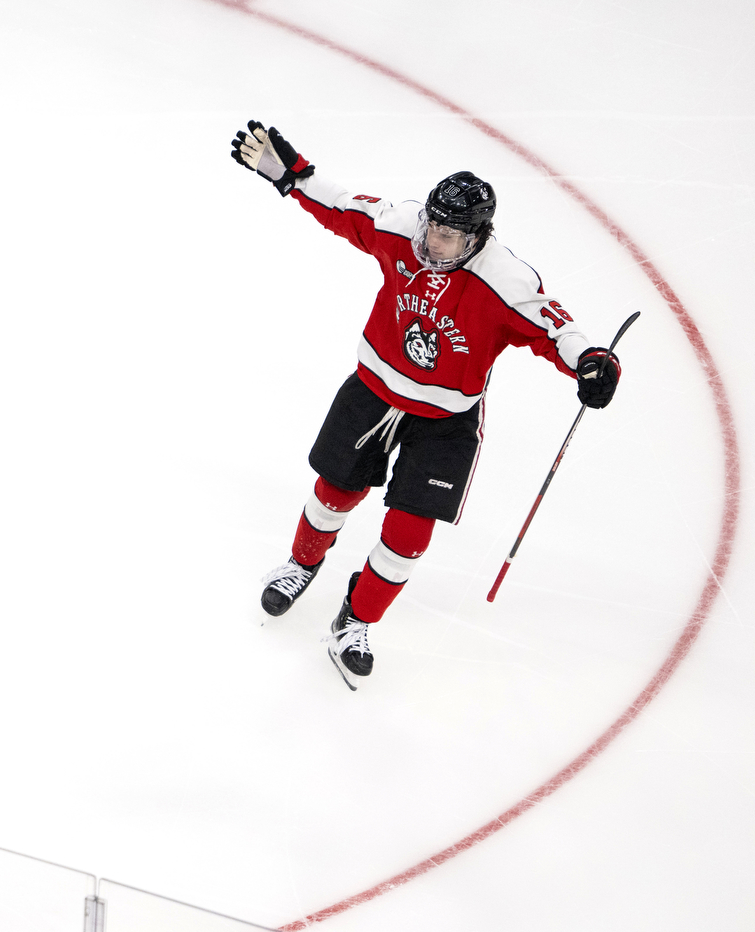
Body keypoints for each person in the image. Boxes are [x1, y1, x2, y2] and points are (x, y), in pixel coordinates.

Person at [230, 121, 622, 690]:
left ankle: (355, 619)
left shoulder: (504, 280)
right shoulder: (401, 227)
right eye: (432, 226)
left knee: (410, 532)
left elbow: (556, 328)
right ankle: (301, 565)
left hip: (444, 422)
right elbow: (343, 208)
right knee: (335, 492)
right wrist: (292, 176)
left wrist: (591, 360)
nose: (433, 240)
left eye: (448, 234)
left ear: (477, 237)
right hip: (372, 390)